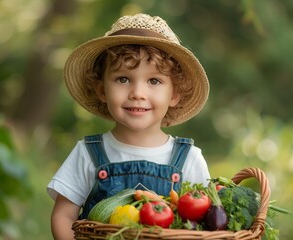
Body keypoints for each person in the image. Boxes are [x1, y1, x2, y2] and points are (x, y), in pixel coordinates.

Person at [47, 13, 210, 239]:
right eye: (123, 79)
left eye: (154, 81)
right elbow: (63, 216)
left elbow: (204, 225)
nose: (137, 94)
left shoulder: (189, 159)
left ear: (174, 94)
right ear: (102, 90)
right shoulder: (88, 153)